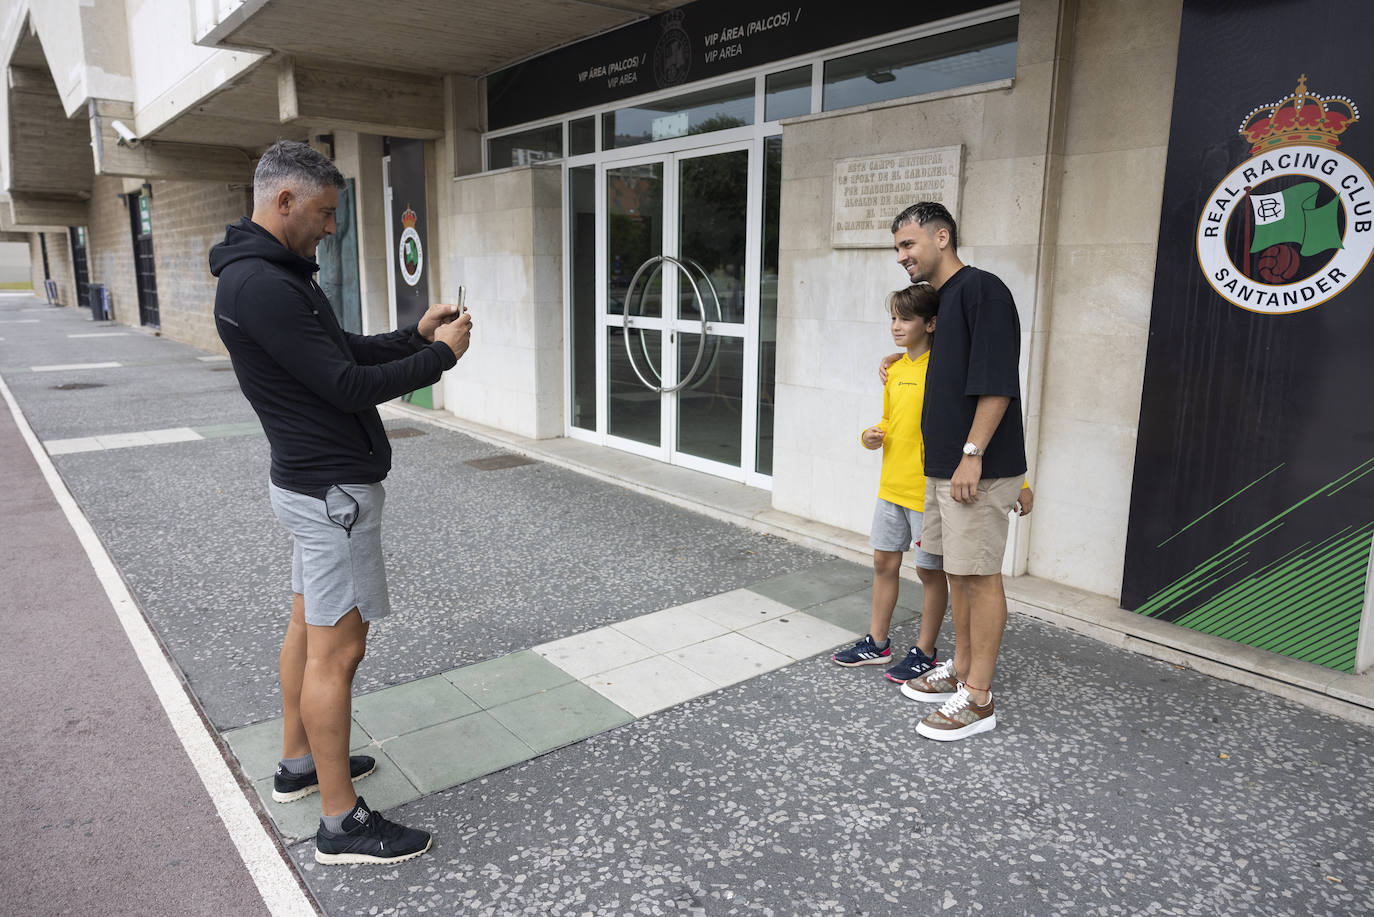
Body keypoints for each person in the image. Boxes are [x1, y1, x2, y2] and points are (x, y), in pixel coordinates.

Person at [209, 140, 472, 863]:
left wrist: (410, 336)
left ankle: (300, 761)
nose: (331, 227)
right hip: (332, 494)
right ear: (283, 201)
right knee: (339, 649)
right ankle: (340, 822)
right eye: (324, 213)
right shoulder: (266, 284)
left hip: (305, 483)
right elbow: (345, 386)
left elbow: (342, 351)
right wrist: (441, 357)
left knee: (306, 623)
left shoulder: (265, 274)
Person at [884, 201, 1028, 742]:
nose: (902, 256)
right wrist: (895, 359)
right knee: (955, 575)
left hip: (976, 467)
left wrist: (973, 453)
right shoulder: (940, 301)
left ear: (942, 237)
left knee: (979, 577)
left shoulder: (982, 291)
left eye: (908, 245)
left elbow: (997, 383)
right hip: (942, 466)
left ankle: (979, 699)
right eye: (898, 247)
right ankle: (962, 671)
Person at [832, 283, 949, 685]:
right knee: (884, 563)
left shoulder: (943, 369)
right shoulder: (894, 370)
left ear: (931, 323)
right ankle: (877, 644)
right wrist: (869, 435)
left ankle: (926, 652)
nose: (896, 326)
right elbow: (889, 421)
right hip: (891, 488)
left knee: (930, 573)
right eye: (893, 319)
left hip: (926, 493)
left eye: (905, 319)